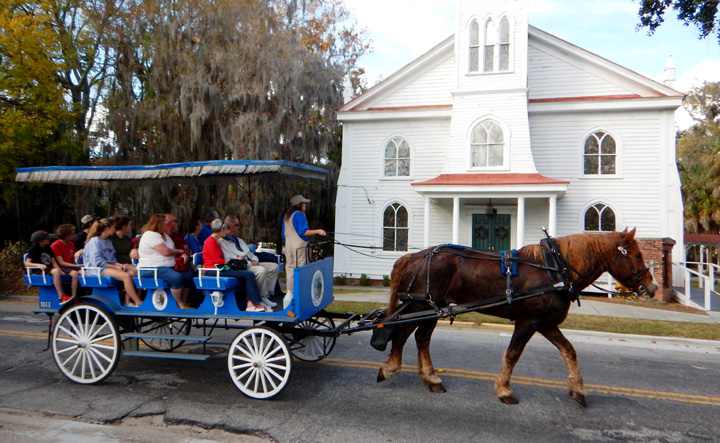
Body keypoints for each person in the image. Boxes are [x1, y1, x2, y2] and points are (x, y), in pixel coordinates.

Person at [202, 219, 268, 312]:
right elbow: (217, 261)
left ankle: (251, 304)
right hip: (213, 271)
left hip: (219, 269)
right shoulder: (210, 241)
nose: (226, 232)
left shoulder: (215, 241)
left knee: (247, 273)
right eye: (225, 229)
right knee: (248, 275)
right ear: (221, 230)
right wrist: (233, 261)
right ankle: (254, 304)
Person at [221, 215, 279, 309]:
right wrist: (248, 263)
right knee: (261, 270)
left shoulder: (238, 240)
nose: (239, 227)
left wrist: (254, 260)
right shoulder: (223, 242)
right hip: (241, 266)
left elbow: (250, 253)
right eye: (237, 225)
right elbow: (232, 260)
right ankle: (261, 297)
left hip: (251, 262)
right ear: (232, 227)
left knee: (273, 267)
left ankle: (267, 295)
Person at [137, 214, 193, 309]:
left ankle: (184, 302)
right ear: (159, 224)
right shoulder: (150, 235)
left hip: (167, 267)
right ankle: (179, 303)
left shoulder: (165, 235)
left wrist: (182, 254)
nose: (167, 225)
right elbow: (166, 252)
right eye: (165, 223)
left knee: (188, 275)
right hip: (151, 268)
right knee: (177, 278)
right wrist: (179, 251)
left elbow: (173, 249)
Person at [83, 218, 142, 307]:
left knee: (132, 273)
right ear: (107, 228)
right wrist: (115, 267)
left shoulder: (108, 242)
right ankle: (138, 301)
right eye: (113, 227)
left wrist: (119, 265)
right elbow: (97, 262)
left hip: (107, 267)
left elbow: (112, 259)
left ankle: (127, 301)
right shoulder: (95, 241)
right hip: (97, 270)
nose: (115, 229)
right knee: (126, 276)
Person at [282, 195, 326, 308]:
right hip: (299, 246)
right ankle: (300, 296)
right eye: (304, 203)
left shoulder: (287, 216)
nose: (305, 205)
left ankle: (290, 294)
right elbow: (303, 232)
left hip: (288, 246)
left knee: (290, 270)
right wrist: (318, 231)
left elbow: (284, 234)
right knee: (301, 269)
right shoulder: (299, 215)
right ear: (298, 204)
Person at [26, 230, 78, 303]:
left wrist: (60, 270)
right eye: (47, 239)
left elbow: (53, 262)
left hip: (49, 269)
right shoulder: (34, 249)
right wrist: (38, 265)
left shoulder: (48, 248)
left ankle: (74, 297)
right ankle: (61, 296)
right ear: (40, 242)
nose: (49, 240)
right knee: (56, 271)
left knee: (60, 271)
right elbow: (27, 263)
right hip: (40, 270)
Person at [50, 224, 83, 299]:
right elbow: (62, 263)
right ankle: (73, 296)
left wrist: (78, 265)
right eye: (72, 234)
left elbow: (73, 259)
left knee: (85, 272)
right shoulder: (55, 245)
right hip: (63, 267)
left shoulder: (71, 244)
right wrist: (77, 266)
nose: (75, 235)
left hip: (71, 265)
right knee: (75, 274)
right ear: (66, 235)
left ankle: (83, 293)